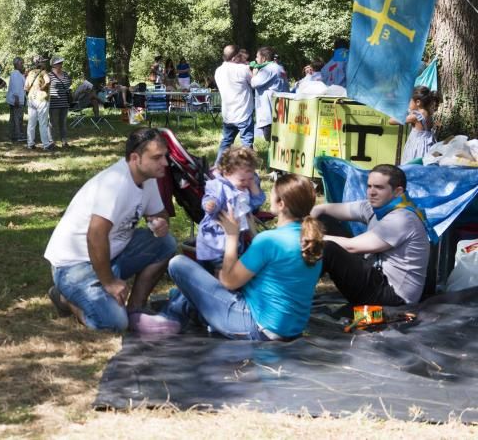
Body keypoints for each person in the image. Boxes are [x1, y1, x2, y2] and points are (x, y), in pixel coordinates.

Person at [134, 174, 324, 340]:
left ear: (281, 203)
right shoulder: (311, 241)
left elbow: (228, 282)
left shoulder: (269, 241)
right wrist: (251, 228)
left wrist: (231, 236)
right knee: (195, 287)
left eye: (273, 193)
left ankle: (171, 319)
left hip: (256, 326)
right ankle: (176, 312)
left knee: (179, 264)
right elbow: (275, 266)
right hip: (289, 329)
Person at [43, 128, 177, 331]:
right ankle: (64, 299)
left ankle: (136, 308)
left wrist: (159, 222)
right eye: (157, 157)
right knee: (113, 323)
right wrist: (109, 282)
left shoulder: (148, 178)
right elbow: (95, 236)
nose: (165, 163)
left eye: (165, 157)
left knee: (165, 244)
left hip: (111, 253)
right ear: (135, 158)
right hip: (74, 265)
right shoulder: (115, 183)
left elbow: (159, 213)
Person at [310, 164, 431, 306]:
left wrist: (309, 236)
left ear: (398, 192)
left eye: (379, 187)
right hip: (376, 277)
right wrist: (314, 213)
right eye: (369, 186)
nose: (371, 192)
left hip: (394, 298)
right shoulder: (378, 207)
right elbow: (326, 209)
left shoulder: (402, 218)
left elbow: (351, 247)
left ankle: (290, 294)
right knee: (323, 220)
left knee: (328, 248)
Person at [197, 147, 265, 273]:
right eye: (242, 180)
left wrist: (253, 185)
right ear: (227, 174)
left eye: (250, 178)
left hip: (237, 236)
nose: (246, 183)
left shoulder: (244, 187)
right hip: (218, 238)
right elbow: (211, 197)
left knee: (235, 263)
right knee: (219, 270)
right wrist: (211, 204)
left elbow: (256, 203)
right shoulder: (219, 186)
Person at [214, 44, 254, 164]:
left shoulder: (218, 70)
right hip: (243, 112)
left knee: (226, 142)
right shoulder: (242, 69)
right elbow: (255, 83)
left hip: (228, 113)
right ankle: (248, 166)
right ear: (234, 57)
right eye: (239, 56)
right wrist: (253, 70)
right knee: (246, 142)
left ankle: (217, 166)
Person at [250, 46, 289, 140]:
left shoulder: (267, 69)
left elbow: (254, 83)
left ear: (263, 58)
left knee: (271, 139)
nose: (256, 59)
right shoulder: (280, 68)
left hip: (269, 111)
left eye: (257, 57)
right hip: (280, 109)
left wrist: (254, 74)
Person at [395, 86, 439, 163]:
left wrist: (404, 111)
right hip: (427, 147)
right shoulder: (428, 114)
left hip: (416, 147)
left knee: (412, 166)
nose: (408, 104)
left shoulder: (415, 117)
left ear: (418, 102)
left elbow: (391, 121)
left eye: (410, 101)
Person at [25, 56, 52, 150]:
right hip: (42, 99)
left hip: (31, 99)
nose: (45, 63)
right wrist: (43, 87)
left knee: (31, 123)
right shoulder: (44, 72)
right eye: (44, 62)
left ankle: (30, 143)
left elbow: (26, 87)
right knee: (43, 123)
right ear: (40, 63)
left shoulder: (30, 73)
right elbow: (48, 81)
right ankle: (46, 144)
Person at [48, 57, 72, 147]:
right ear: (53, 65)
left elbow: (69, 83)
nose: (60, 65)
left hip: (64, 102)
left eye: (61, 63)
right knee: (53, 123)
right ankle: (51, 142)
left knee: (63, 123)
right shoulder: (49, 75)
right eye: (58, 63)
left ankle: (64, 142)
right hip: (54, 102)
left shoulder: (65, 74)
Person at [6, 57, 26, 143]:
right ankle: (18, 135)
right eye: (21, 63)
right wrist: (17, 98)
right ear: (17, 64)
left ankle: (13, 135)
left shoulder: (17, 74)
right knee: (18, 118)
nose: (22, 65)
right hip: (17, 100)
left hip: (15, 99)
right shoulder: (16, 74)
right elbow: (16, 87)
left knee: (14, 118)